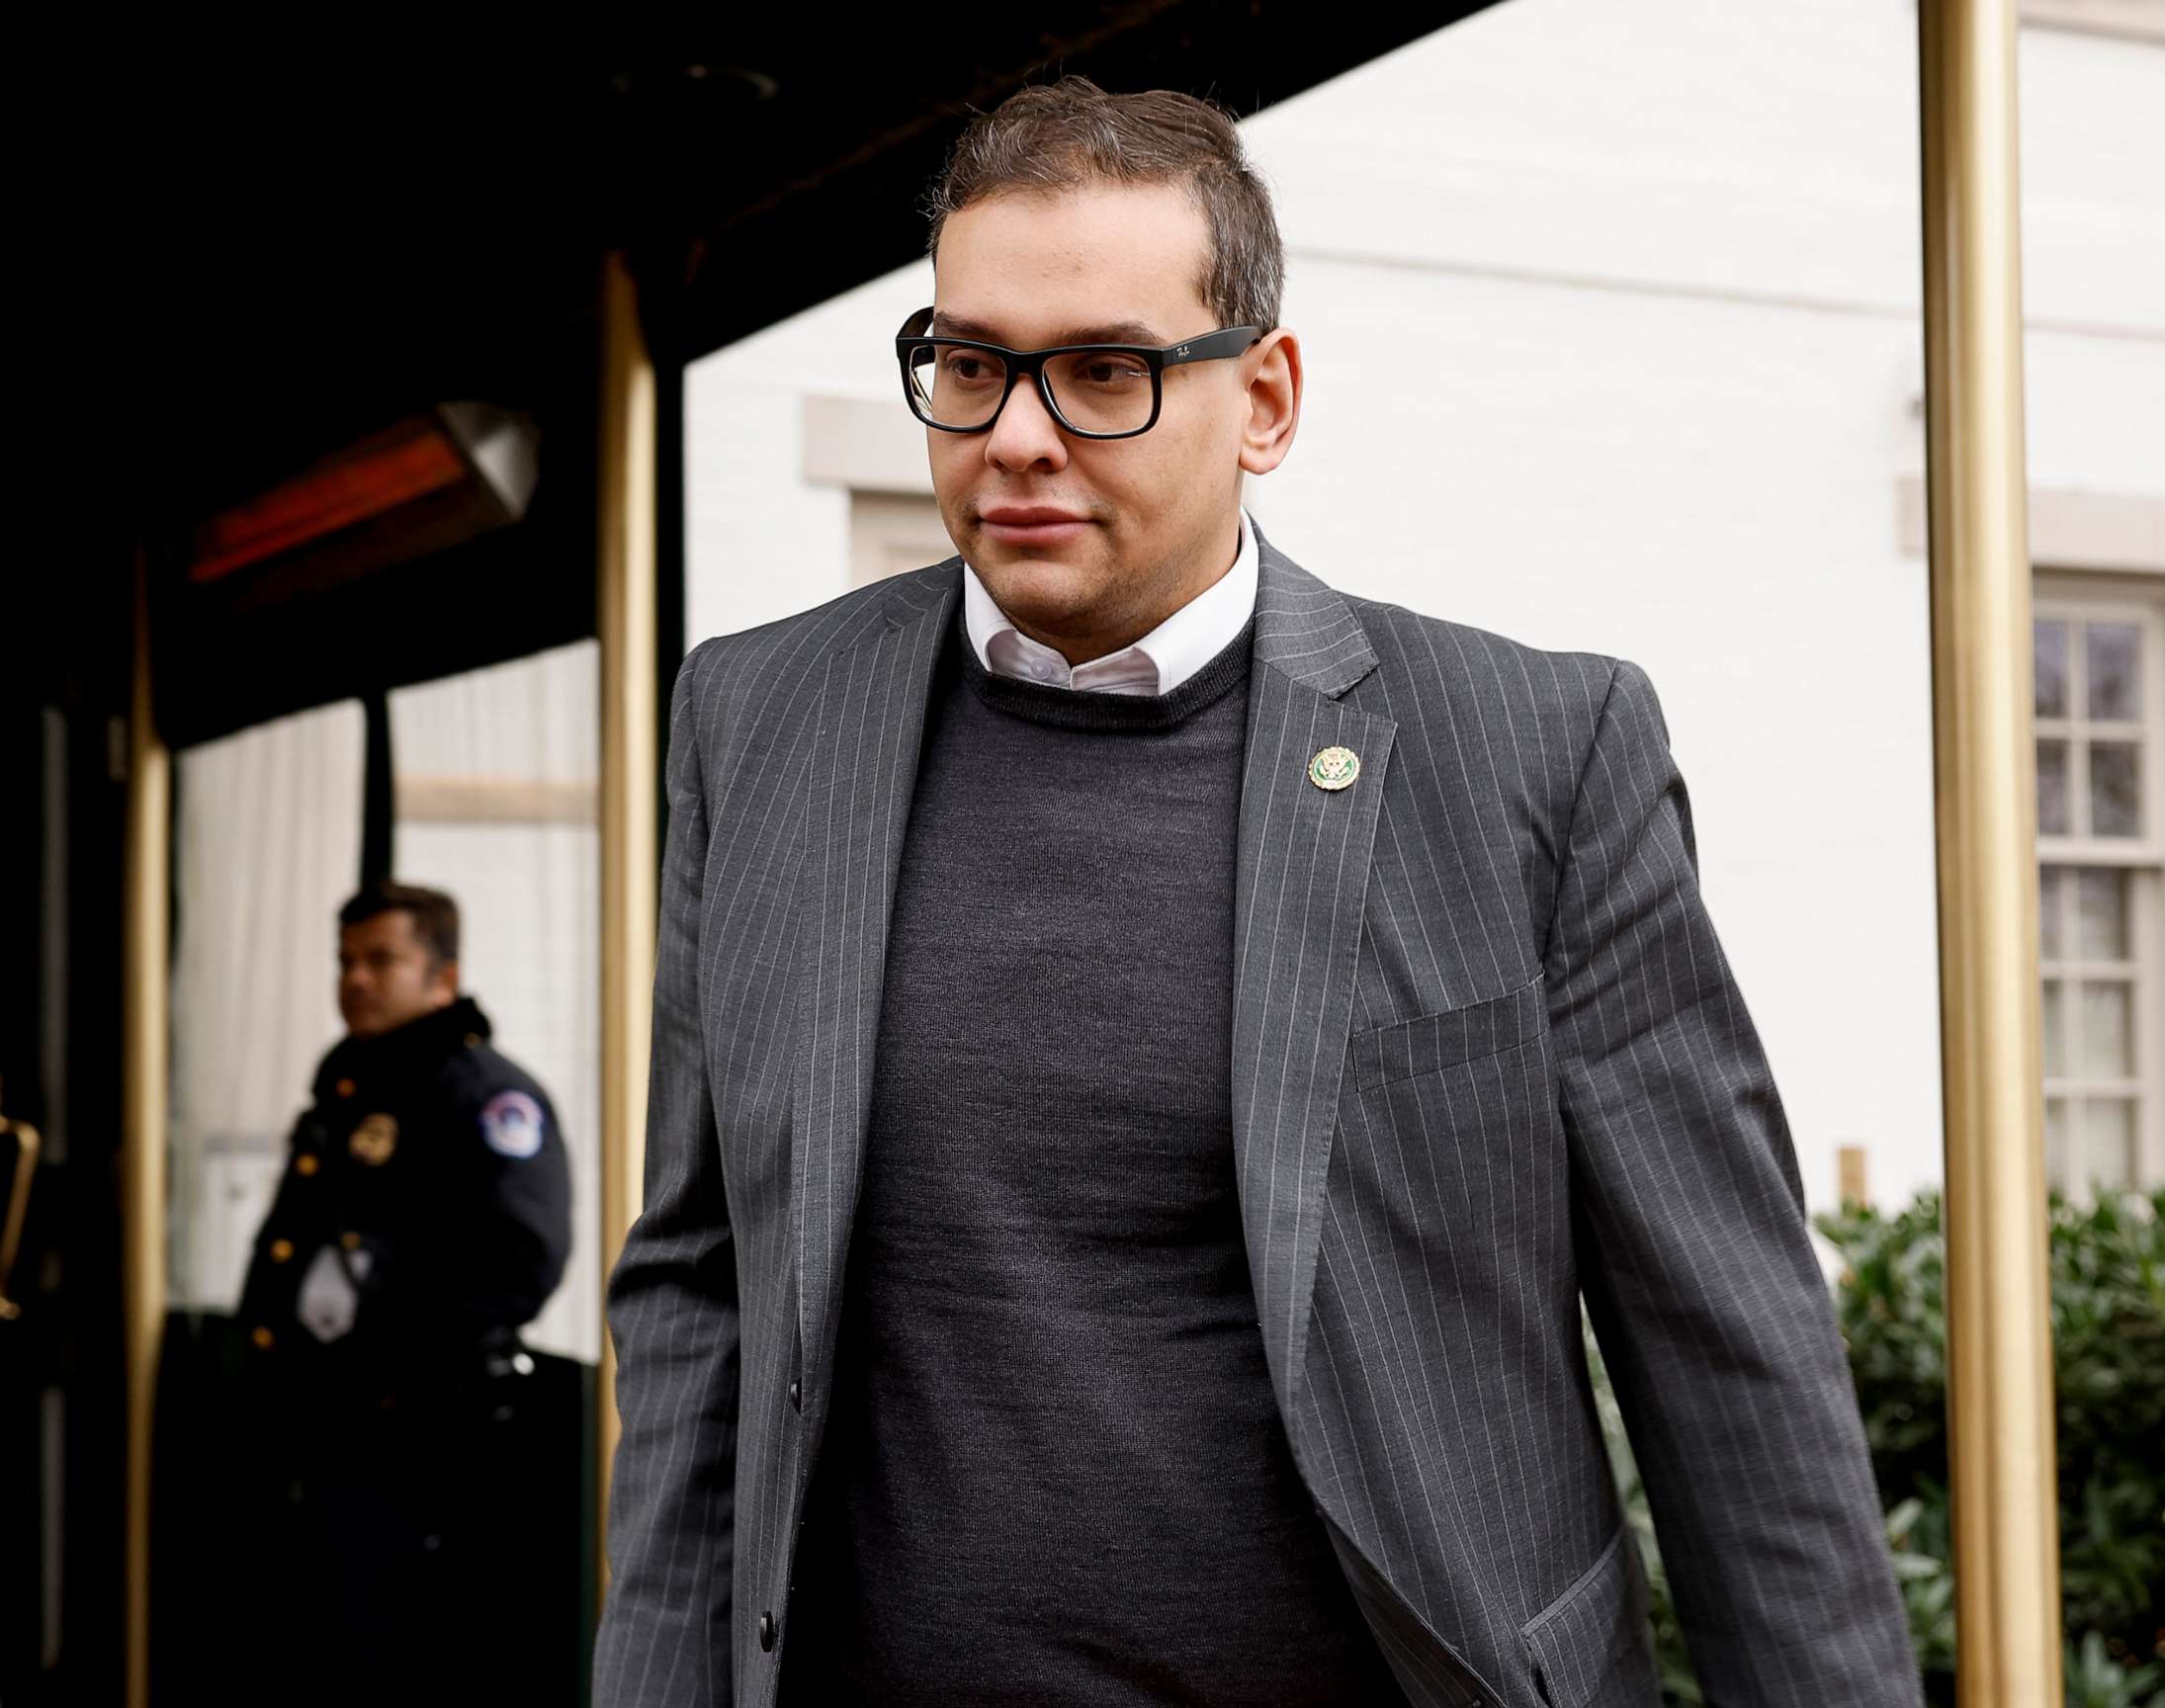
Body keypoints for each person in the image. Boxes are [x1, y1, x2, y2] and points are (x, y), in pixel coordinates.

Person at [596, 77, 1920, 1708]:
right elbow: (699, 1295)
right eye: (966, 363)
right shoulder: (759, 720)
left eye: (1103, 372)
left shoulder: (1532, 756)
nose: (1015, 433)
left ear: (1266, 399)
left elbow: (1729, 1359)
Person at [236, 881, 572, 1702]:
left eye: (381, 960)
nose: (355, 979)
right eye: (345, 961)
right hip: (321, 1436)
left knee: (400, 1660)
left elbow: (520, 1261)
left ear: (442, 978)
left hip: (422, 1444)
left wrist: (379, 1362)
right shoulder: (351, 1090)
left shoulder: (485, 1095)